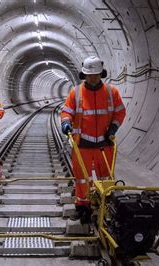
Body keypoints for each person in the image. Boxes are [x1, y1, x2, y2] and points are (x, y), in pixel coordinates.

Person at [60, 56, 126, 223]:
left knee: (106, 177)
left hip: (105, 144)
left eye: (96, 74)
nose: (93, 78)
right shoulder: (76, 92)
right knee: (82, 178)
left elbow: (120, 112)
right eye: (89, 75)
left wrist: (113, 128)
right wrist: (66, 122)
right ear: (84, 75)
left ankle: (107, 206)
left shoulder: (112, 92)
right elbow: (66, 111)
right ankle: (82, 206)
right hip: (82, 143)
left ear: (101, 74)